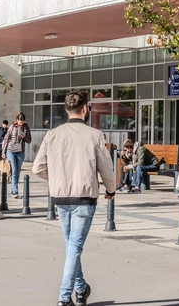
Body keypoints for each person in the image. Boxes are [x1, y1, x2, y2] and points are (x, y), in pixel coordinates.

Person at [33, 90, 115, 306]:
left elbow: (37, 168)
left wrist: (56, 179)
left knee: (71, 245)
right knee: (74, 247)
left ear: (66, 109)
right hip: (84, 197)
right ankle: (63, 298)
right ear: (85, 109)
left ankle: (80, 289)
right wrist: (111, 189)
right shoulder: (94, 135)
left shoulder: (52, 134)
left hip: (60, 198)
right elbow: (106, 168)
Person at [2, 112, 32, 198]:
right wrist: (3, 152)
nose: (20, 122)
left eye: (22, 120)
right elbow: (6, 139)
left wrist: (24, 137)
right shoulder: (12, 127)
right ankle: (14, 190)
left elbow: (29, 140)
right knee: (14, 170)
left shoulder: (26, 128)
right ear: (17, 120)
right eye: (19, 120)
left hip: (20, 151)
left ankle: (13, 188)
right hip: (10, 150)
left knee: (17, 171)